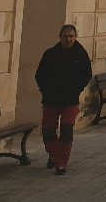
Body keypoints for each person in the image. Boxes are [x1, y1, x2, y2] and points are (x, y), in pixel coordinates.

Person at [34, 24, 92, 176]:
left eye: (71, 36)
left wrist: (76, 88)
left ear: (75, 37)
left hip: (70, 101)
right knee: (47, 132)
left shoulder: (81, 55)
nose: (68, 39)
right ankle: (53, 154)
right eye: (65, 36)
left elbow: (87, 75)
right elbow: (39, 75)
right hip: (50, 99)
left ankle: (61, 163)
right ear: (60, 37)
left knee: (66, 132)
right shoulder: (50, 54)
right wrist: (45, 89)